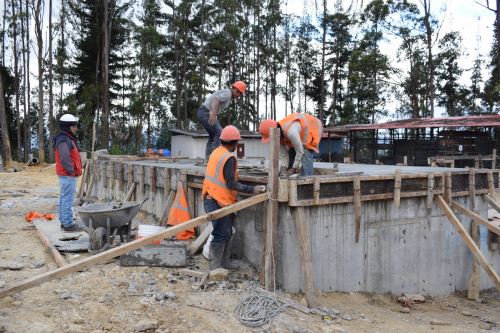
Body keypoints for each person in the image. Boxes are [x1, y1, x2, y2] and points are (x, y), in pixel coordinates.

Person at [202, 125, 266, 278]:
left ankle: (224, 263)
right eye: (237, 142)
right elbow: (231, 183)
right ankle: (215, 267)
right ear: (233, 142)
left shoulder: (216, 152)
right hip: (217, 200)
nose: (237, 145)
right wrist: (252, 190)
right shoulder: (228, 158)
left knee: (226, 232)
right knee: (221, 233)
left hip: (213, 197)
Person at [197, 81, 246, 159]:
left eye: (240, 94)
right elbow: (216, 99)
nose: (239, 96)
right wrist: (213, 114)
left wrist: (214, 113)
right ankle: (215, 157)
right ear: (235, 89)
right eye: (239, 93)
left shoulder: (227, 94)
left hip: (202, 112)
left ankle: (209, 157)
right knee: (219, 132)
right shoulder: (228, 94)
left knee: (213, 135)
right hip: (205, 112)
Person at [53, 114, 84, 232]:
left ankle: (64, 221)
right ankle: (68, 224)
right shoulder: (63, 139)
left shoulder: (66, 137)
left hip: (67, 174)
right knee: (67, 199)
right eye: (74, 126)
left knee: (64, 198)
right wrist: (72, 171)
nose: (76, 128)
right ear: (67, 127)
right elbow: (64, 157)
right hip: (68, 174)